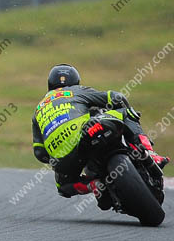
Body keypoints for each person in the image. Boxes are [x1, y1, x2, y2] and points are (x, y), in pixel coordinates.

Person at [32, 64, 169, 206]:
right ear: (76, 82)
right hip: (87, 134)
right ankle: (151, 153)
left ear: (49, 84)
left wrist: (58, 156)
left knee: (63, 186)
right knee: (126, 113)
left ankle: (93, 185)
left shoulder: (38, 109)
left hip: (63, 157)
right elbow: (116, 97)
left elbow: (39, 152)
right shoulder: (76, 91)